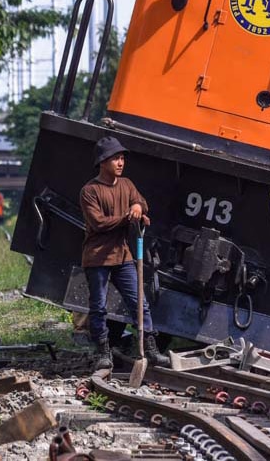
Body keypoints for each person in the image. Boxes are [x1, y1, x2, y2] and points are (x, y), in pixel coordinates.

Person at [80, 136, 170, 371]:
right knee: (99, 306)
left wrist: (138, 207)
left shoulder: (127, 185)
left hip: (123, 255)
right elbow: (99, 223)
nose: (120, 163)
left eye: (122, 158)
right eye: (115, 158)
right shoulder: (89, 191)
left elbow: (140, 201)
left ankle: (149, 349)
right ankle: (102, 351)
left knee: (139, 302)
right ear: (102, 161)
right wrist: (128, 218)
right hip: (97, 257)